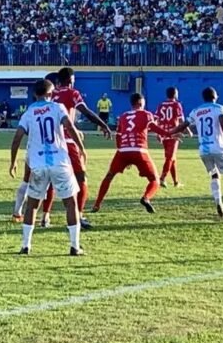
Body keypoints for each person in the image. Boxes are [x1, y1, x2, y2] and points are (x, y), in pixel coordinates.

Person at [9, 78, 86, 256]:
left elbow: (17, 138)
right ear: (51, 94)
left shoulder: (29, 112)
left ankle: (26, 246)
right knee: (70, 203)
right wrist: (81, 148)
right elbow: (69, 126)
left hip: (38, 164)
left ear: (34, 94)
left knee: (32, 205)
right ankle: (75, 246)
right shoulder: (58, 107)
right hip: (60, 162)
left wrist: (13, 162)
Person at [168, 87, 223, 219]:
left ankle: (219, 205)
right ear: (215, 96)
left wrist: (168, 133)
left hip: (203, 150)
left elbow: (183, 125)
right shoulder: (219, 108)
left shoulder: (196, 111)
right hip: (218, 147)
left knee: (215, 175)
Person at [41, 67, 111, 230]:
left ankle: (45, 216)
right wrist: (103, 125)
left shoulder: (51, 95)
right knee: (81, 178)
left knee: (51, 181)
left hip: (51, 142)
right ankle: (78, 215)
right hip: (67, 142)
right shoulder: (72, 93)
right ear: (71, 80)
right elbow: (85, 111)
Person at [91, 93, 169, 214]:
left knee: (109, 176)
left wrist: (121, 152)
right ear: (140, 103)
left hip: (123, 151)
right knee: (155, 180)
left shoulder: (123, 116)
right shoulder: (146, 114)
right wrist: (170, 134)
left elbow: (118, 136)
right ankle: (146, 198)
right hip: (140, 150)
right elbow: (155, 128)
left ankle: (97, 204)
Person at [155, 86, 186, 188]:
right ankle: (162, 178)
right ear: (175, 94)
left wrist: (158, 133)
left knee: (172, 158)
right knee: (170, 157)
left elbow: (156, 120)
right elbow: (181, 120)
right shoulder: (177, 104)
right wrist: (188, 130)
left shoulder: (161, 105)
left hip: (164, 133)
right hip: (173, 133)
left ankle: (176, 182)